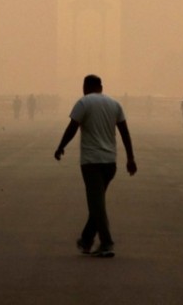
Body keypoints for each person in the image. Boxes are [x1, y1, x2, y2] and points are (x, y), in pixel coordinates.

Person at [54, 75, 137, 258]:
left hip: (91, 161)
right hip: (110, 162)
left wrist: (61, 146)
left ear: (86, 86)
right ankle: (86, 239)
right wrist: (130, 158)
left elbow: (72, 127)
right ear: (101, 86)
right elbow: (124, 132)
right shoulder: (115, 104)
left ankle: (107, 243)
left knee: (96, 204)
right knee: (97, 202)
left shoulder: (84, 103)